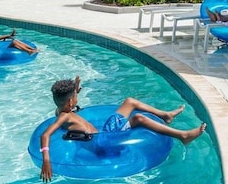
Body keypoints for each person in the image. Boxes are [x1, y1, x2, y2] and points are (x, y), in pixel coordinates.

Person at [38, 76, 206, 182]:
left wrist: (75, 91)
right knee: (135, 110)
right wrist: (46, 160)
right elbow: (45, 135)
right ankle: (181, 133)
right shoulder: (64, 116)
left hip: (104, 136)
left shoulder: (62, 111)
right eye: (75, 96)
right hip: (104, 142)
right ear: (70, 102)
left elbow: (65, 106)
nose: (77, 97)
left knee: (134, 111)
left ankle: (166, 117)